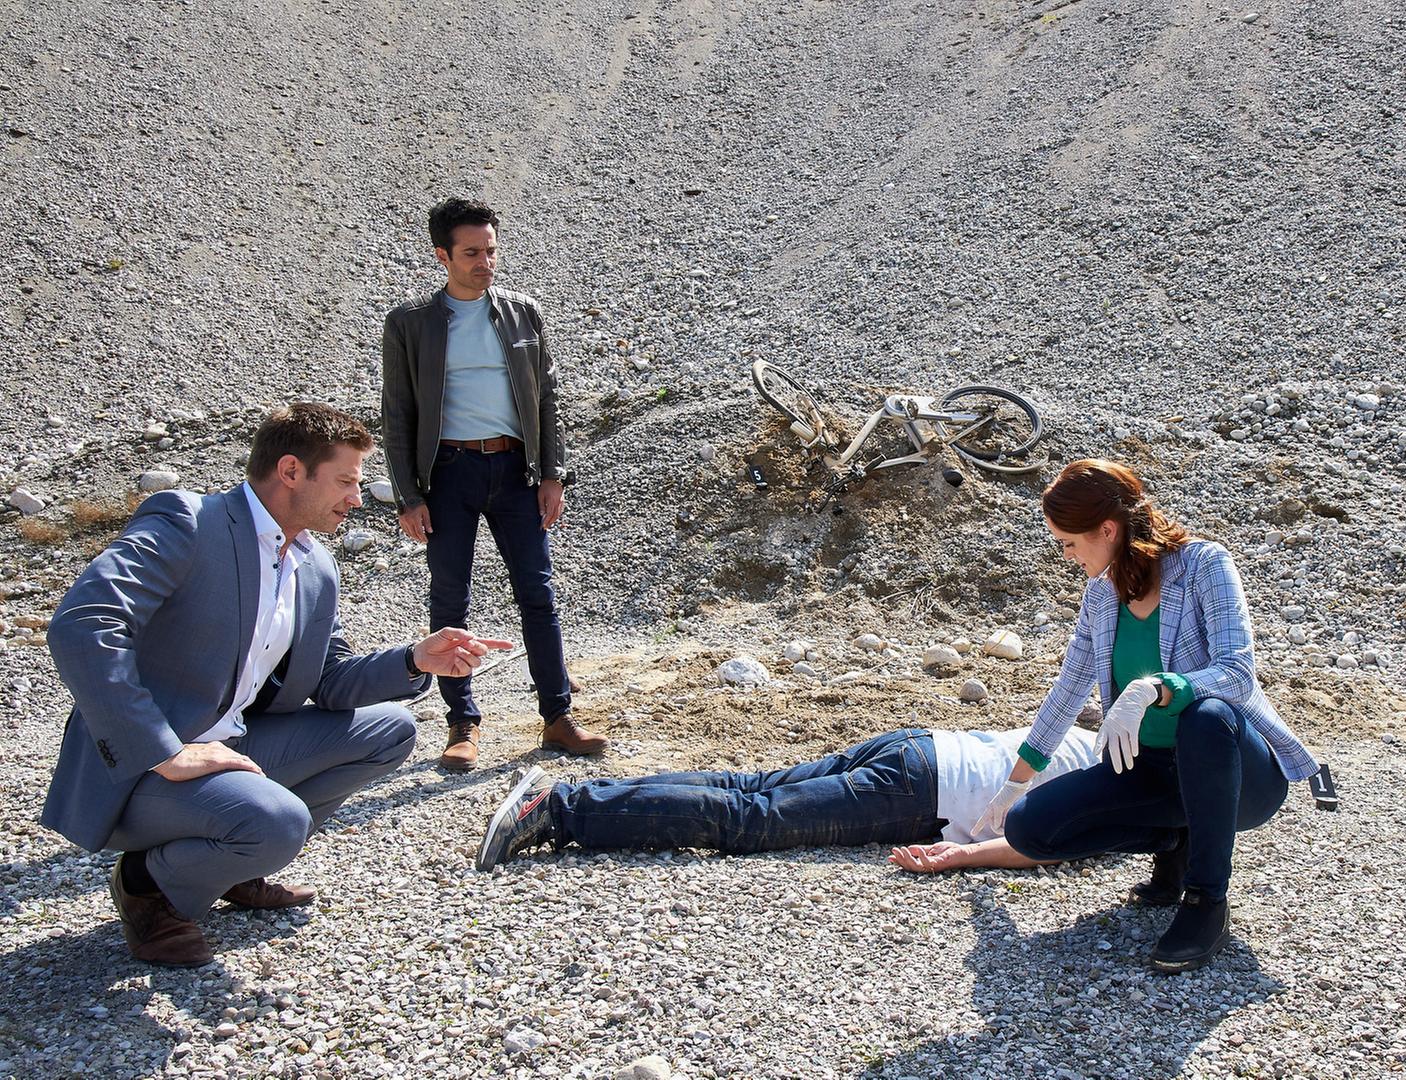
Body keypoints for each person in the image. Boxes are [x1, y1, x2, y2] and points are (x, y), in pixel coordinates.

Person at [41, 403, 514, 967]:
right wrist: (165, 750)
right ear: (291, 471)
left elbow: (331, 682)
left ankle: (234, 864)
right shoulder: (188, 522)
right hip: (144, 767)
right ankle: (148, 888)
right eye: (345, 481)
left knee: (391, 729)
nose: (357, 498)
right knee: (278, 823)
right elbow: (84, 624)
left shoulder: (315, 567)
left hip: (232, 747)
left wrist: (416, 659)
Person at [975, 459, 1319, 973]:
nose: (1066, 556)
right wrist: (1015, 783)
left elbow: (1238, 673)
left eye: (1068, 543)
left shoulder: (1204, 565)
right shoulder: (1100, 594)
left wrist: (1158, 687)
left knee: (1205, 715)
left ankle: (1206, 900)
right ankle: (1174, 839)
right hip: (1155, 772)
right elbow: (1068, 690)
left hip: (1238, 773)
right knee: (1031, 829)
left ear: (1106, 530)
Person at [381, 195, 606, 771]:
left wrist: (553, 473)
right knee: (450, 600)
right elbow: (397, 413)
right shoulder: (410, 323)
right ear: (443, 256)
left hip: (514, 472)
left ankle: (557, 717)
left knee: (538, 593)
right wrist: (408, 496)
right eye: (472, 253)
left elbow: (547, 398)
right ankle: (462, 723)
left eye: (491, 251)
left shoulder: (522, 312)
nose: (486, 262)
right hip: (448, 474)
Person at [474, 724, 1101, 871]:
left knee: (749, 787)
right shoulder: (1116, 788)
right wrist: (959, 856)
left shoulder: (1096, 737)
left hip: (920, 746)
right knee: (751, 821)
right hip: (923, 790)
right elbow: (1036, 843)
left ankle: (571, 797)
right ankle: (559, 812)